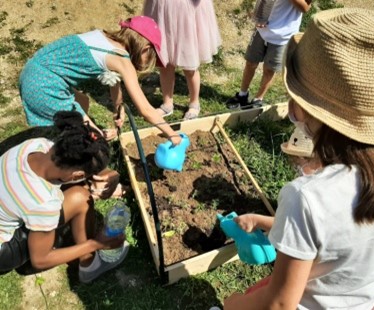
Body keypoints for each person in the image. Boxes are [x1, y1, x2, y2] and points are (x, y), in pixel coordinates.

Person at [224, 8, 374, 309]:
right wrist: (271, 222)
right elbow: (342, 235)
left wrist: (232, 304)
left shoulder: (307, 197)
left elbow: (280, 304)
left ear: (305, 109)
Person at [0, 110, 128, 283]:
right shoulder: (44, 202)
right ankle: (89, 264)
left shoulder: (36, 146)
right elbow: (40, 260)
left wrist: (105, 173)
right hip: (4, 251)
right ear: (76, 174)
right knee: (80, 198)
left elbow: (75, 164)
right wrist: (97, 244)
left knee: (77, 189)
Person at [19, 16, 182, 145]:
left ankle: (70, 134)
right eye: (150, 56)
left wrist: (119, 108)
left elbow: (114, 81)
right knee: (94, 141)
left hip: (34, 71)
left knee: (82, 102)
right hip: (44, 85)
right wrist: (173, 135)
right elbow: (146, 110)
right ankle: (74, 157)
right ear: (145, 48)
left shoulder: (105, 39)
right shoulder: (122, 61)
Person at [143, 0, 222, 120]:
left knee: (190, 65)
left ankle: (194, 104)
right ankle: (167, 104)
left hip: (185, 12)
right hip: (162, 8)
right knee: (164, 61)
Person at [226, 0, 311, 110]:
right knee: (251, 62)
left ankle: (258, 99)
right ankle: (242, 95)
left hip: (283, 35)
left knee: (269, 69)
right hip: (262, 28)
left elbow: (305, 8)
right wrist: (259, 15)